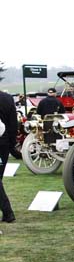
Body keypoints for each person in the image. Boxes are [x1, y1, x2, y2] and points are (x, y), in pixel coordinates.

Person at [0, 89, 17, 222]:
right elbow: (13, 124)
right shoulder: (7, 98)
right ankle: (7, 213)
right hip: (4, 142)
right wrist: (11, 144)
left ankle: (8, 212)